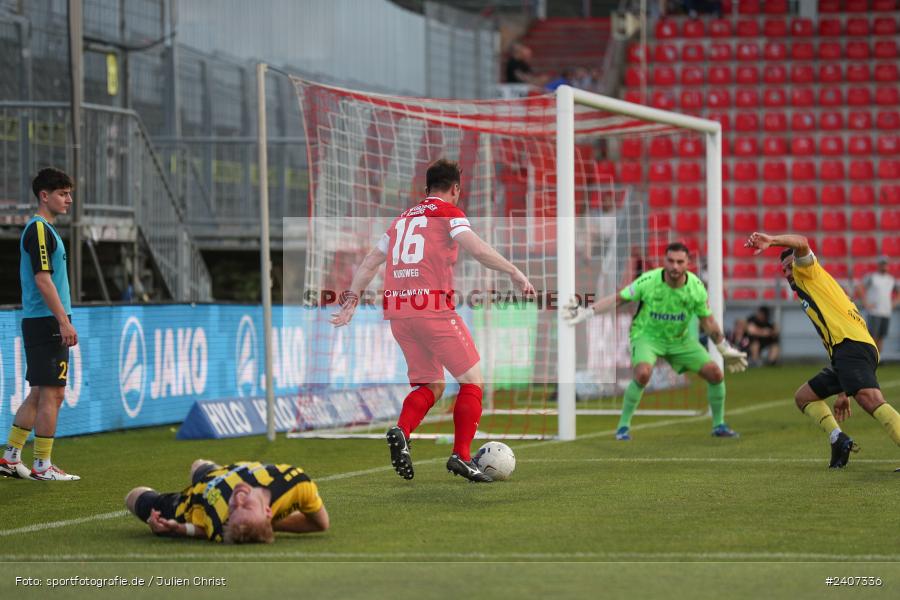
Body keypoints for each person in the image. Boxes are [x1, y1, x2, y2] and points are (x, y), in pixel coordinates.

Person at [330, 159, 535, 483]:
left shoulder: (399, 222)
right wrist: (513, 271)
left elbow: (370, 262)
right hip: (432, 309)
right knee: (472, 381)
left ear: (426, 190)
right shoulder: (450, 214)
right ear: (455, 189)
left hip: (398, 313)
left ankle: (402, 429)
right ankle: (462, 456)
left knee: (432, 384)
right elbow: (478, 250)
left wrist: (351, 301)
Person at [745, 232, 900, 469]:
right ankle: (838, 439)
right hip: (848, 350)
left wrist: (772, 240)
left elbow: (802, 242)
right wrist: (842, 392)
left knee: (870, 399)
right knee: (804, 397)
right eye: (784, 270)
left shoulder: (809, 272)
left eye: (790, 267)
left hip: (851, 345)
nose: (788, 274)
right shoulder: (813, 290)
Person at [564, 242, 747, 440]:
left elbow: (708, 321)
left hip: (680, 340)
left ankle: (719, 425)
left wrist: (723, 348)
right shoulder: (649, 280)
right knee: (643, 373)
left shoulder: (696, 288)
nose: (674, 266)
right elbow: (619, 298)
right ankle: (623, 427)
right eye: (670, 261)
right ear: (664, 261)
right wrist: (589, 312)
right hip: (646, 336)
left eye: (679, 262)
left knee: (715, 373)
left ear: (688, 263)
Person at [0, 168, 79, 481]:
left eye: (69, 193)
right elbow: (43, 279)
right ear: (44, 196)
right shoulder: (40, 230)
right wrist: (63, 321)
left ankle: (10, 458)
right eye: (62, 193)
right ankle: (43, 465)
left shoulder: (45, 230)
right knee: (53, 395)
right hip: (46, 320)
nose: (68, 200)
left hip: (43, 319)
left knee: (38, 393)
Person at [125, 459, 329, 543]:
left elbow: (202, 530)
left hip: (189, 503)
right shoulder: (299, 483)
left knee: (134, 496)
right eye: (247, 505)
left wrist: (175, 528)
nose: (238, 498)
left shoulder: (220, 522)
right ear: (268, 511)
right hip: (221, 473)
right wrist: (268, 525)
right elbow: (321, 524)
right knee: (199, 464)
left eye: (234, 509)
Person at [854, 257, 896, 352]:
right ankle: (871, 357)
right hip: (874, 312)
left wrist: (893, 304)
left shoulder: (891, 279)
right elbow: (860, 287)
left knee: (881, 337)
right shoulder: (872, 277)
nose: (884, 266)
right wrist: (866, 303)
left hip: (886, 312)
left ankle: (878, 358)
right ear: (879, 265)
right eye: (882, 264)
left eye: (885, 264)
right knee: (872, 337)